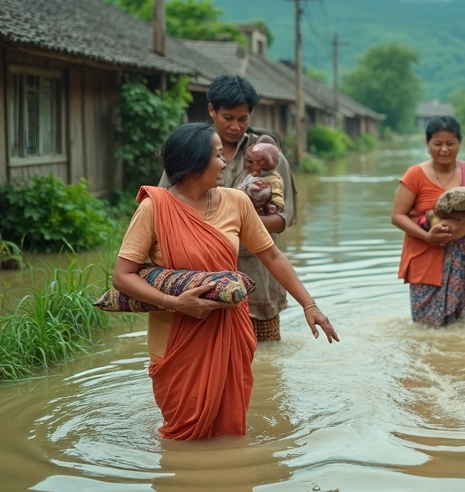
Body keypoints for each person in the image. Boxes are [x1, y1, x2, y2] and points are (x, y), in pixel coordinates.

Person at [114, 122, 338, 440]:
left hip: (229, 330)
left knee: (231, 434)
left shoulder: (237, 202)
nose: (225, 163)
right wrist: (174, 302)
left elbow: (272, 256)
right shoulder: (154, 208)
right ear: (194, 162)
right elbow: (122, 275)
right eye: (218, 156)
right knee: (179, 434)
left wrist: (309, 304)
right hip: (175, 335)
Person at [160, 76, 297, 343]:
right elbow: (164, 203)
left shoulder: (268, 156)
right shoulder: (190, 151)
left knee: (262, 362)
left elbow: (284, 218)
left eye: (243, 119)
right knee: (205, 353)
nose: (236, 126)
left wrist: (235, 224)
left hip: (256, 276)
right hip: (200, 274)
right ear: (211, 109)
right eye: (228, 117)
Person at [391, 116, 465, 327]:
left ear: (459, 143)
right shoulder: (415, 175)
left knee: (461, 328)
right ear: (427, 144)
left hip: (462, 261)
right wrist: (428, 235)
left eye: (450, 143)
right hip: (424, 257)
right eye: (438, 144)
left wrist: (458, 221)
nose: (444, 149)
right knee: (424, 329)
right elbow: (397, 215)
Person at [239, 141, 284, 216]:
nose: (249, 165)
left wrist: (273, 205)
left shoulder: (273, 179)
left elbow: (277, 194)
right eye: (249, 161)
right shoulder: (249, 177)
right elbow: (240, 188)